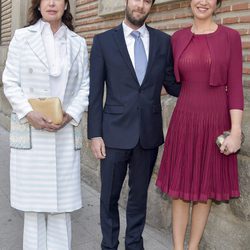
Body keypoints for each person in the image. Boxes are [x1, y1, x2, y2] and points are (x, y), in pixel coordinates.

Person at [87, 0, 180, 249]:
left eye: (146, 1)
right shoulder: (104, 41)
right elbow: (95, 93)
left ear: (151, 6)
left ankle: (134, 244)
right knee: (109, 196)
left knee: (139, 197)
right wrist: (95, 134)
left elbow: (172, 83)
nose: (140, 5)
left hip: (147, 134)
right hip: (113, 134)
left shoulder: (163, 41)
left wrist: (207, 89)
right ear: (126, 2)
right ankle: (109, 244)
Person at [156, 0, 244, 249]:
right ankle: (177, 248)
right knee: (180, 191)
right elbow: (168, 79)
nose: (202, 2)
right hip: (184, 121)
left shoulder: (231, 37)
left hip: (215, 122)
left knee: (204, 191)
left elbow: (236, 87)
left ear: (217, 4)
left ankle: (192, 247)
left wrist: (235, 131)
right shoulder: (178, 38)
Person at [2, 0, 89, 249]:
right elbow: (10, 81)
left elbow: (85, 85)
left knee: (62, 209)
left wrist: (70, 114)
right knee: (33, 209)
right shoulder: (22, 37)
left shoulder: (77, 43)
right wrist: (29, 113)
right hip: (31, 132)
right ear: (38, 6)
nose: (52, 3)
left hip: (63, 132)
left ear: (65, 5)